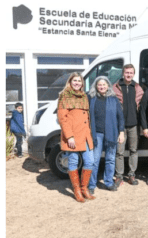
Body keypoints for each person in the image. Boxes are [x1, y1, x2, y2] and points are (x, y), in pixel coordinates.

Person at [57, 72, 95, 202]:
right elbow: (62, 118)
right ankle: (77, 190)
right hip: (72, 135)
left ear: (82, 83)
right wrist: (69, 136)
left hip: (85, 135)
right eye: (75, 81)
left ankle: (84, 188)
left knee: (89, 161)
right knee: (73, 161)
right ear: (70, 82)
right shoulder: (64, 96)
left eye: (79, 81)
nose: (77, 83)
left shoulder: (84, 96)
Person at [88, 76, 125, 194]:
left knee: (110, 159)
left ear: (108, 86)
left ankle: (109, 182)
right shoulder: (91, 98)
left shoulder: (114, 99)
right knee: (94, 160)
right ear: (96, 86)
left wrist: (121, 132)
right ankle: (91, 184)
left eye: (104, 85)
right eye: (99, 85)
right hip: (96, 134)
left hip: (111, 133)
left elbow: (120, 117)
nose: (102, 87)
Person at [113, 64, 144, 187]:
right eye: (127, 72)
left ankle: (131, 174)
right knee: (119, 152)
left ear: (133, 74)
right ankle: (119, 176)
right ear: (123, 73)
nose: (129, 75)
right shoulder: (115, 87)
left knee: (133, 150)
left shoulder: (137, 88)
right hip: (119, 126)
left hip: (133, 125)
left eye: (131, 73)